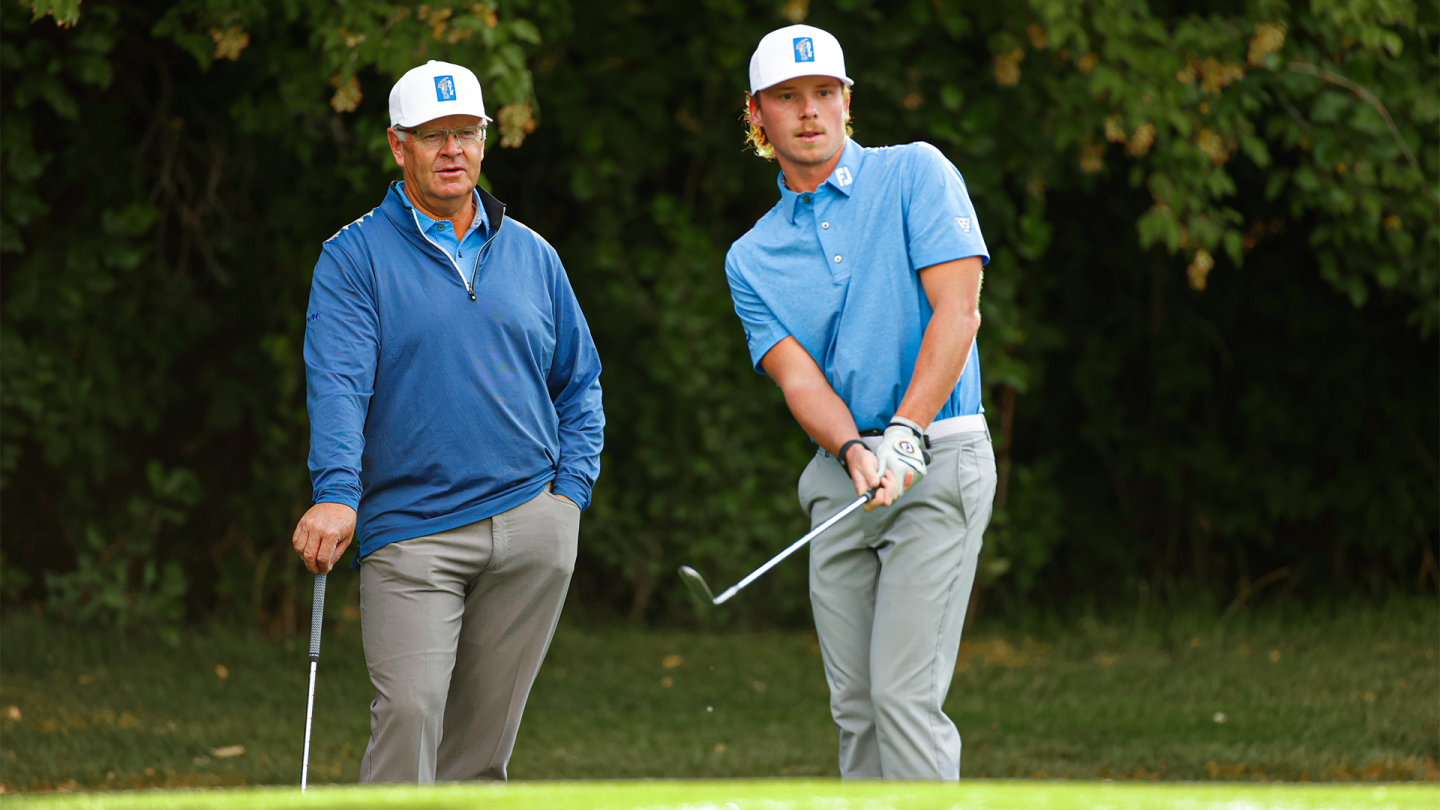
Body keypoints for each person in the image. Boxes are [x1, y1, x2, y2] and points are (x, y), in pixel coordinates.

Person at [290, 60, 604, 783]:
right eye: (433, 137)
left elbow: (580, 382)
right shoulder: (353, 257)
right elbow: (338, 383)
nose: (452, 150)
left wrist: (569, 499)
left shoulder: (532, 253)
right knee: (410, 713)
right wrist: (338, 493)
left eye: (465, 132)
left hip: (533, 524)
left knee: (481, 750)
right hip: (413, 531)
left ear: (486, 142)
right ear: (399, 146)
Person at [724, 25, 997, 780]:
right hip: (842, 475)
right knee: (857, 706)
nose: (809, 111)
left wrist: (906, 431)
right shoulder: (751, 257)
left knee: (903, 695)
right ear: (758, 117)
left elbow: (959, 311)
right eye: (787, 97)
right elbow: (799, 380)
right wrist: (852, 450)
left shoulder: (916, 174)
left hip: (939, 454)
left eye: (824, 93)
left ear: (847, 101)